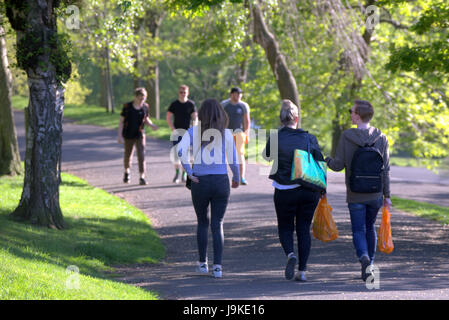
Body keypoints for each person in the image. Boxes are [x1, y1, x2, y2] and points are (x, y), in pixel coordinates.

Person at [325, 99, 391, 282]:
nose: (350, 114)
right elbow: (386, 169)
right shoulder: (381, 137)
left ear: (358, 115)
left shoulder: (347, 136)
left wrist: (326, 160)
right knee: (370, 227)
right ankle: (370, 264)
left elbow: (338, 166)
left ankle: (363, 257)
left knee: (358, 230)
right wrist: (388, 196)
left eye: (352, 111)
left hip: (355, 193)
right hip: (376, 193)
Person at [177, 98, 240, 278]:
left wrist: (189, 171)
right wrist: (236, 178)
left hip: (200, 182)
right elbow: (234, 161)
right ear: (221, 114)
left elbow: (180, 151)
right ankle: (218, 267)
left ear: (201, 115)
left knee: (202, 222)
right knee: (217, 223)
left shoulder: (192, 132)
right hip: (221, 181)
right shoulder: (226, 134)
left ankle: (202, 264)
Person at [263, 100, 324, 282]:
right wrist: (323, 189)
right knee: (304, 228)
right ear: (297, 118)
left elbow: (267, 156)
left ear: (281, 119)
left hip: (284, 189)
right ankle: (303, 271)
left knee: (285, 226)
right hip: (307, 189)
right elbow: (319, 163)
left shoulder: (276, 136)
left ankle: (290, 255)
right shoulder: (309, 138)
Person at [118, 87, 159, 185]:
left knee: (141, 155)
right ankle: (127, 172)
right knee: (128, 155)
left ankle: (142, 177)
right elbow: (121, 122)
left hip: (140, 134)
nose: (142, 100)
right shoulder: (127, 106)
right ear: (136, 97)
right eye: (140, 98)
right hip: (128, 134)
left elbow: (146, 119)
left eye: (144, 98)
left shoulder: (145, 107)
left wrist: (152, 125)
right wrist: (120, 136)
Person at [166, 85, 198, 183]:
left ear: (187, 93)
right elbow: (168, 117)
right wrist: (172, 128)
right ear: (178, 93)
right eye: (181, 92)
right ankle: (177, 173)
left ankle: (184, 174)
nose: (182, 94)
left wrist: (193, 128)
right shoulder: (174, 104)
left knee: (186, 154)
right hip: (177, 132)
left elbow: (195, 118)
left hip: (187, 133)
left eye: (184, 92)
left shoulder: (191, 104)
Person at [221, 87, 250, 185]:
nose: (239, 96)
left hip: (239, 133)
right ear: (231, 94)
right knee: (223, 155)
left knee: (240, 155)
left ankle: (241, 177)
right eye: (237, 94)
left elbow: (246, 120)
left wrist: (247, 133)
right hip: (226, 132)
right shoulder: (224, 104)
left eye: (240, 94)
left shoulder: (243, 105)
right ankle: (222, 176)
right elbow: (219, 118)